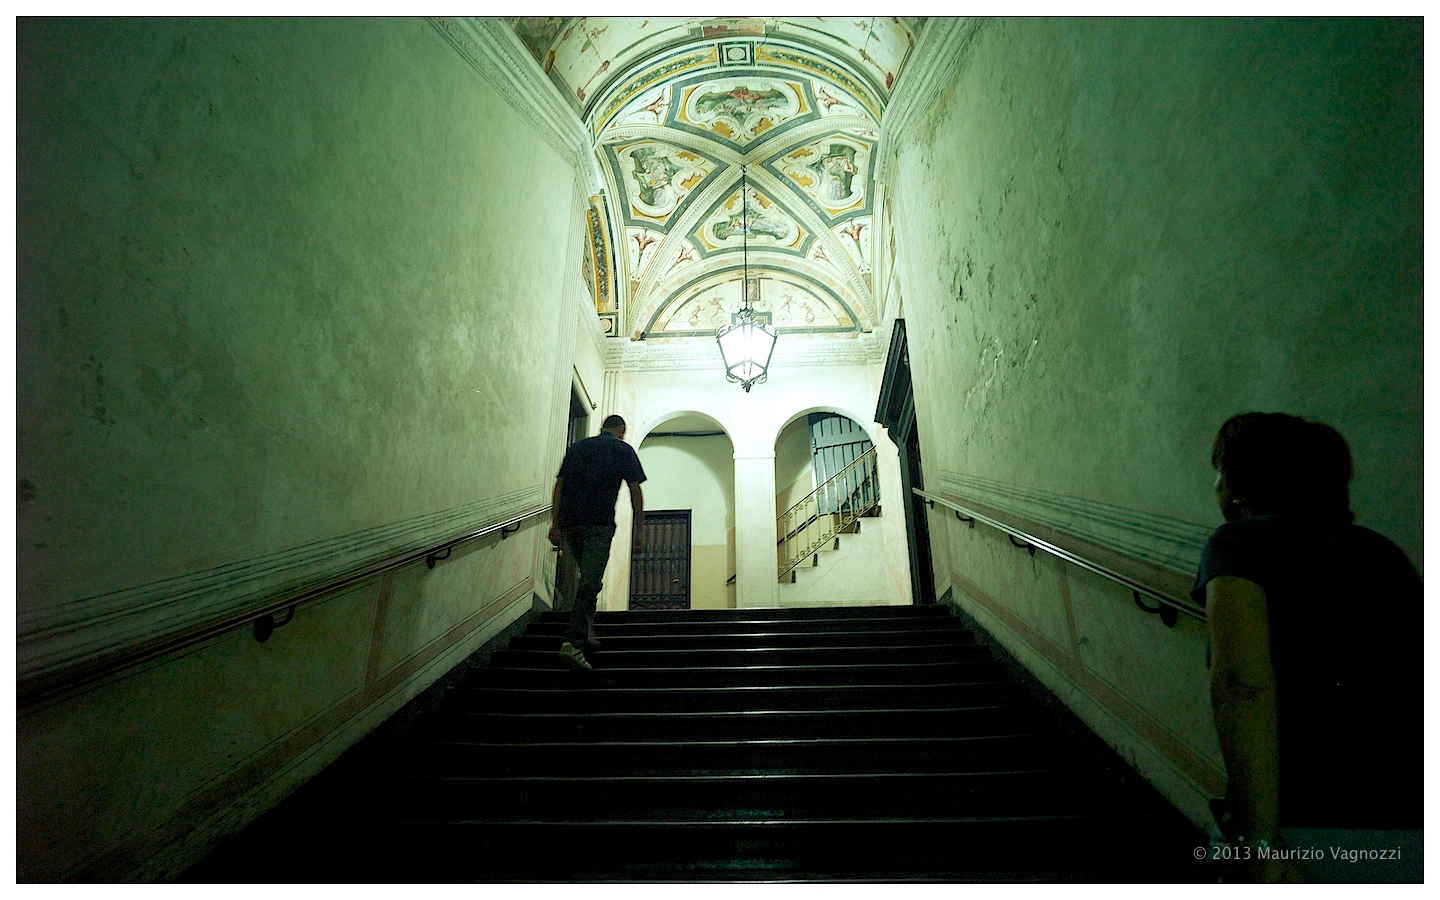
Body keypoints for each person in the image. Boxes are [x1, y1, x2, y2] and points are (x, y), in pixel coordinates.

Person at [1192, 412, 1422, 882]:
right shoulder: (1386, 554)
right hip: (1410, 817)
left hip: (1305, 821)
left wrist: (1258, 843)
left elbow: (1243, 684)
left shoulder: (1237, 545)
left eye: (1219, 473)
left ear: (1240, 486)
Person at [548, 414, 646, 672]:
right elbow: (635, 489)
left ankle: (586, 631)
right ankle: (573, 643)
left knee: (587, 580)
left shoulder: (577, 448)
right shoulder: (623, 449)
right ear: (621, 429)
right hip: (598, 524)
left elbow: (559, 486)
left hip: (570, 524)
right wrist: (639, 529)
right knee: (590, 582)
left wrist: (555, 523)